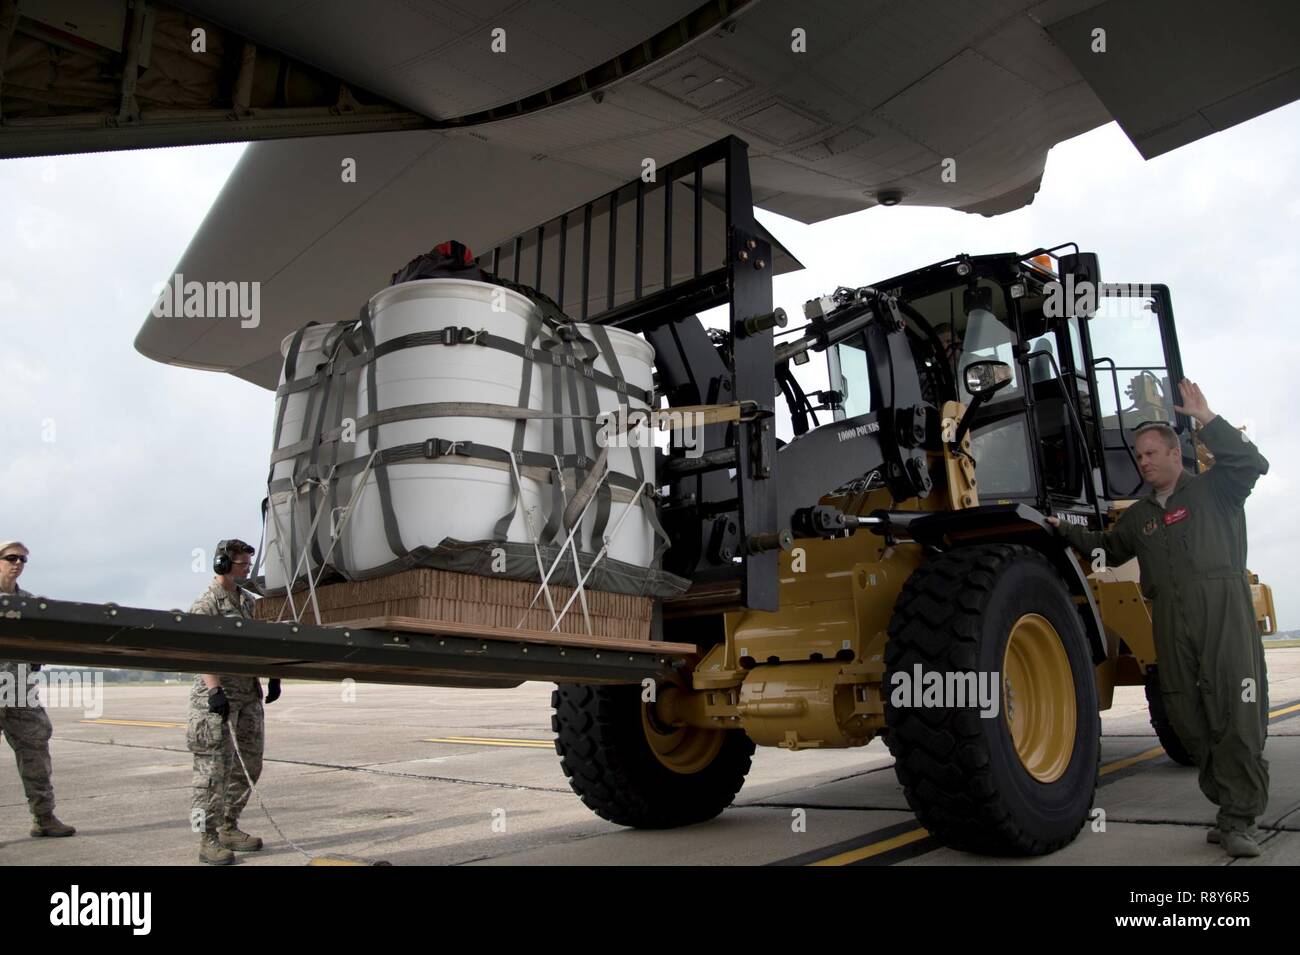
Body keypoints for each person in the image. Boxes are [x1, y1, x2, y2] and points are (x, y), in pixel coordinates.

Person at [1047, 380, 1270, 857]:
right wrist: (1061, 531)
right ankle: (1227, 803)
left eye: (1150, 452)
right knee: (1187, 715)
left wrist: (1206, 418)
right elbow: (1106, 551)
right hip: (1168, 614)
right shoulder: (1140, 517)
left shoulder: (1218, 490)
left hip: (1221, 609)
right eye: (1139, 455)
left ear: (1174, 454)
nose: (1143, 461)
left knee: (1235, 712)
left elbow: (1253, 463)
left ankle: (1239, 817)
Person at [186, 538, 280, 865]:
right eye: (242, 564)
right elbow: (197, 648)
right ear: (223, 564)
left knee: (249, 764)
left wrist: (272, 675)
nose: (247, 570)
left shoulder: (247, 602)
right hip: (217, 699)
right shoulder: (207, 602)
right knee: (212, 773)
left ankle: (228, 825)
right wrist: (213, 690)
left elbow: (256, 644)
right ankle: (206, 838)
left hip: (247, 694)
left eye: (249, 565)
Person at [0, 541, 76, 839]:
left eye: (22, 559)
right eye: (11, 558)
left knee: (36, 751)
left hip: (19, 691)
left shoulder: (29, 603)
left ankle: (44, 817)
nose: (17, 563)